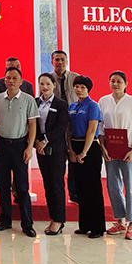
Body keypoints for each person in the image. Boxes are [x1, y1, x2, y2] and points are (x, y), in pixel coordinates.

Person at [0, 67, 39, 237]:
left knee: (22, 186)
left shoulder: (28, 100)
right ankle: (5, 220)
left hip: (20, 146)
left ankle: (27, 224)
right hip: (2, 145)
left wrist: (29, 147)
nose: (11, 81)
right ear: (4, 80)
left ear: (21, 81)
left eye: (14, 78)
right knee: (2, 184)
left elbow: (32, 125)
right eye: (8, 78)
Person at [98, 71, 132, 241]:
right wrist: (103, 147)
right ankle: (120, 221)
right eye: (112, 81)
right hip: (110, 150)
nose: (115, 84)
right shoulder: (103, 101)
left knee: (131, 185)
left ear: (125, 84)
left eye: (119, 81)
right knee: (113, 185)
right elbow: (100, 126)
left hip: (128, 149)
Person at [68, 75, 105, 238]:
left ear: (88, 89)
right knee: (80, 188)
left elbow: (91, 130)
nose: (79, 89)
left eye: (82, 87)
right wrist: (71, 150)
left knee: (93, 188)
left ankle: (97, 227)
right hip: (74, 146)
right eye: (77, 86)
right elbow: (68, 129)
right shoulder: (72, 106)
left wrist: (83, 152)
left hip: (89, 148)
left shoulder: (92, 105)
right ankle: (84, 225)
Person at [34, 73, 69, 236]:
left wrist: (45, 140)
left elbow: (61, 127)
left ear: (54, 85)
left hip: (56, 149)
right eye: (42, 84)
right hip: (41, 149)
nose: (45, 87)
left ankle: (59, 219)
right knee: (47, 184)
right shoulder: (35, 102)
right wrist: (36, 141)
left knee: (56, 184)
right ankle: (52, 217)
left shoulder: (61, 104)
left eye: (48, 84)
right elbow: (32, 124)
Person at [50, 50, 80, 204]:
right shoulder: (48, 79)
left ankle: (74, 193)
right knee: (58, 159)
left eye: (62, 59)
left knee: (74, 157)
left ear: (67, 61)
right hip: (56, 124)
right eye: (57, 60)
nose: (60, 62)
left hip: (74, 122)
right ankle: (58, 194)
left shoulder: (75, 77)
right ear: (52, 62)